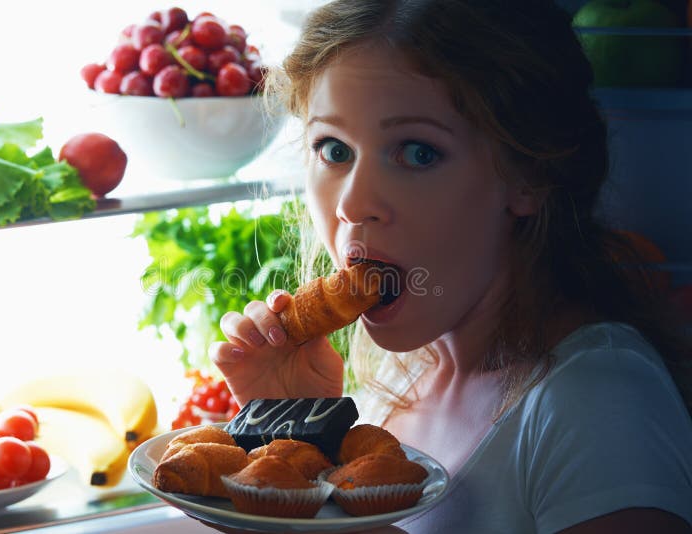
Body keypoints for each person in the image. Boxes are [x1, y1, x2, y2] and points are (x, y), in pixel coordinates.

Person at [209, 0, 692, 532]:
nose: (352, 203)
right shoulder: (402, 372)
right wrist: (299, 439)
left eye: (418, 153)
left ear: (527, 173)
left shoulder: (600, 404)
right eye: (334, 150)